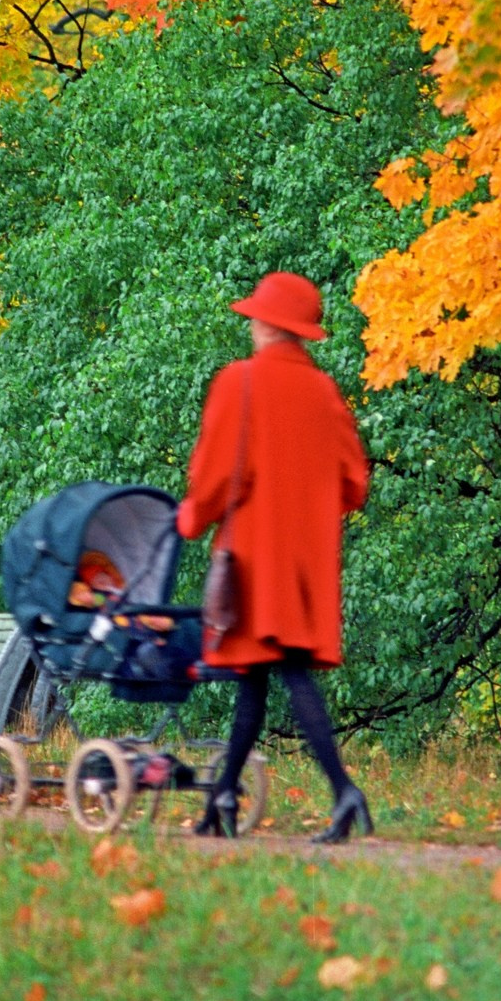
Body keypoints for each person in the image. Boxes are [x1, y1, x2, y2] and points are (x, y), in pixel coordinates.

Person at [176, 272, 371, 841]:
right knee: (257, 681)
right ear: (302, 333)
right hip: (305, 566)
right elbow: (353, 486)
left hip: (254, 560)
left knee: (279, 671)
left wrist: (191, 519)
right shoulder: (326, 393)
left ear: (265, 324)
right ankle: (221, 802)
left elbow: (215, 476)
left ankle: (343, 791)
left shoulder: (239, 382)